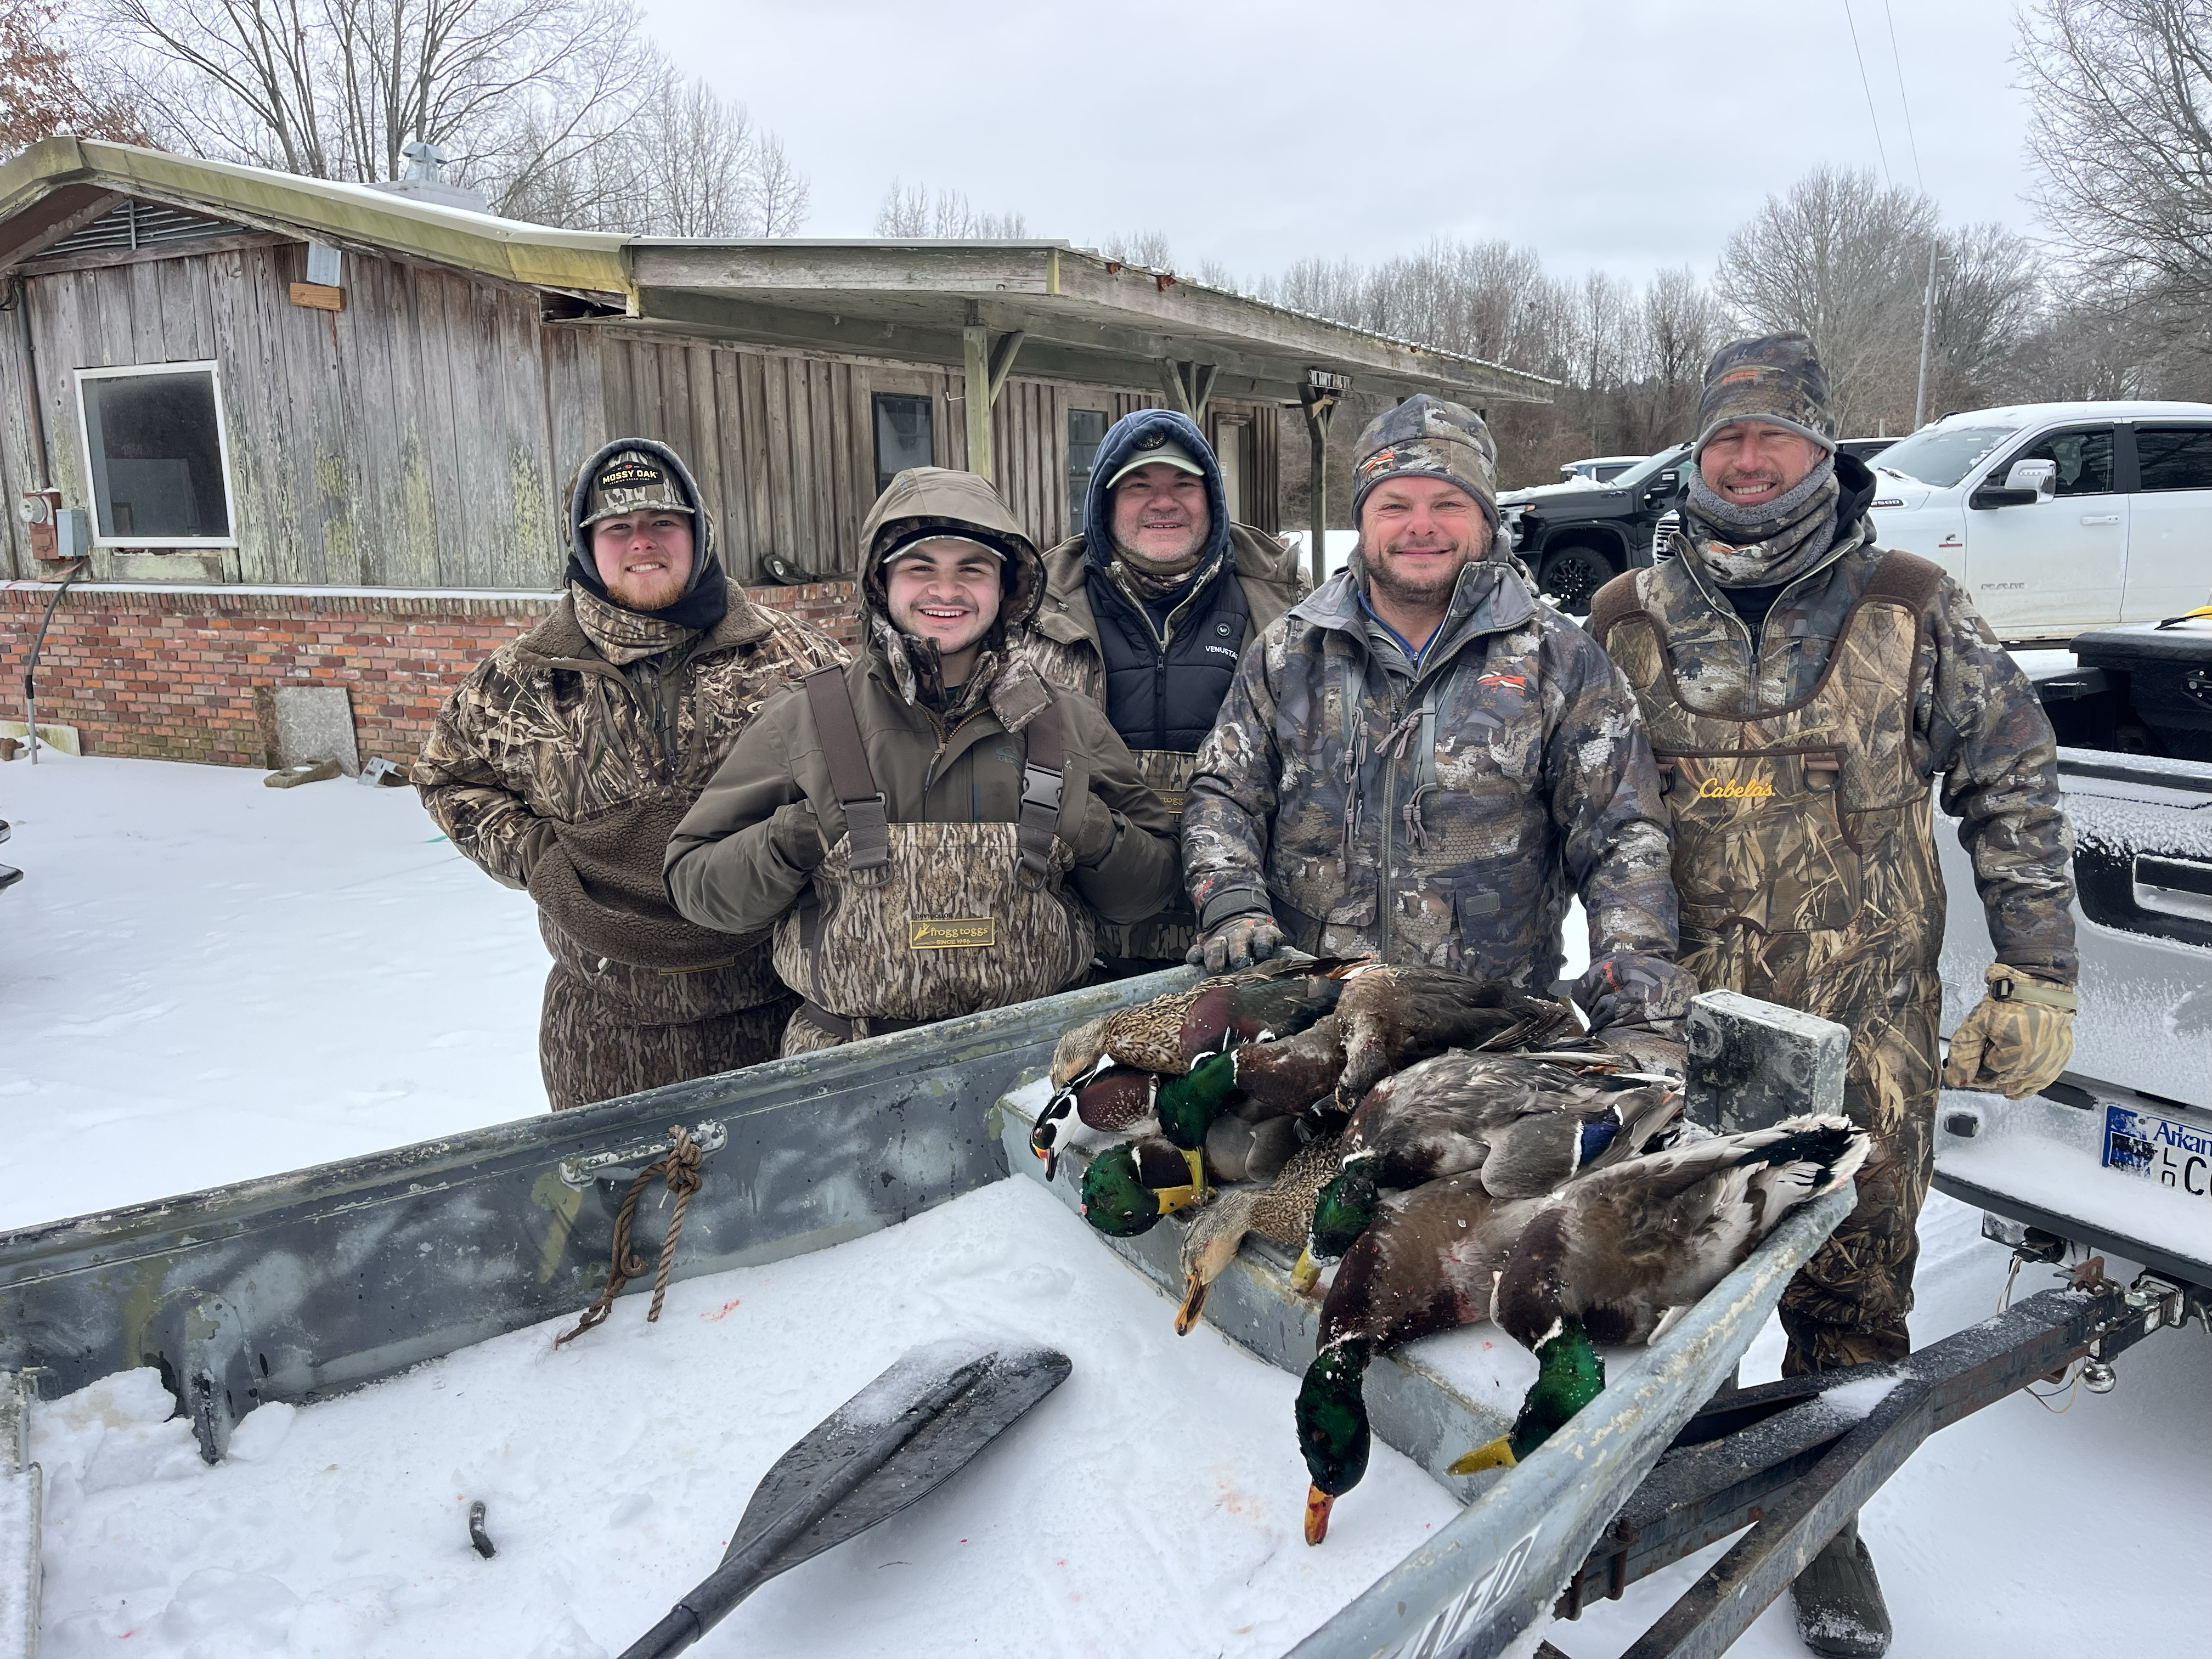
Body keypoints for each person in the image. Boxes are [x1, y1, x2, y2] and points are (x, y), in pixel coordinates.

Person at [1587, 332, 2078, 1658]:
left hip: (1867, 1035)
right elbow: (1560, 803)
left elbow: (2015, 781)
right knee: (1665, 1275)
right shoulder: (1624, 618)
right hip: (1675, 1033)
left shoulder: (1913, 602)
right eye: (1725, 441)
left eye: (1777, 438)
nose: (1749, 462)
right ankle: (1655, 1482)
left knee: (1855, 1287)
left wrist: (2037, 968)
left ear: (1823, 450)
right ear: (1696, 456)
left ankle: (1824, 1512)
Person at [1181, 395, 1694, 1049]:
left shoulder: (1557, 660)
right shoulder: (1291, 652)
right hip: (1310, 1026)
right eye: (1394, 505)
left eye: (1447, 503)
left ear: (1486, 517)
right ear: (1363, 521)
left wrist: (1637, 1008)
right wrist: (1232, 903)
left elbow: (1623, 839)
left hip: (1488, 1037)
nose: (1421, 526)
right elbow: (1223, 792)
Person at [664, 467, 1182, 1055]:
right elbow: (694, 883)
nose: (946, 590)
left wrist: (1093, 832)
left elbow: (1153, 886)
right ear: (880, 583)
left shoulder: (1069, 721)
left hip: (1041, 1059)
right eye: (920, 568)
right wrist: (793, 839)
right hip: (848, 1067)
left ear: (1007, 587)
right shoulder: (804, 717)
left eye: (972, 569)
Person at [415, 439, 844, 1111]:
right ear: (586, 547)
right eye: (618, 528)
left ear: (701, 534)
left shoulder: (798, 657)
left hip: (779, 1007)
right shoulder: (522, 679)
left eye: (663, 523)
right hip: (605, 1029)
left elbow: (861, 780)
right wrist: (537, 859)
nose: (642, 541)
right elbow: (448, 775)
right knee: (621, 1212)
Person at [1019, 409, 1304, 970]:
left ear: (1213, 499)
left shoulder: (1288, 607)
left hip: (1247, 943)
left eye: (1183, 484)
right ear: (1104, 502)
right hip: (1082, 947)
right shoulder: (1031, 611)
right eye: (1139, 486)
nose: (1163, 502)